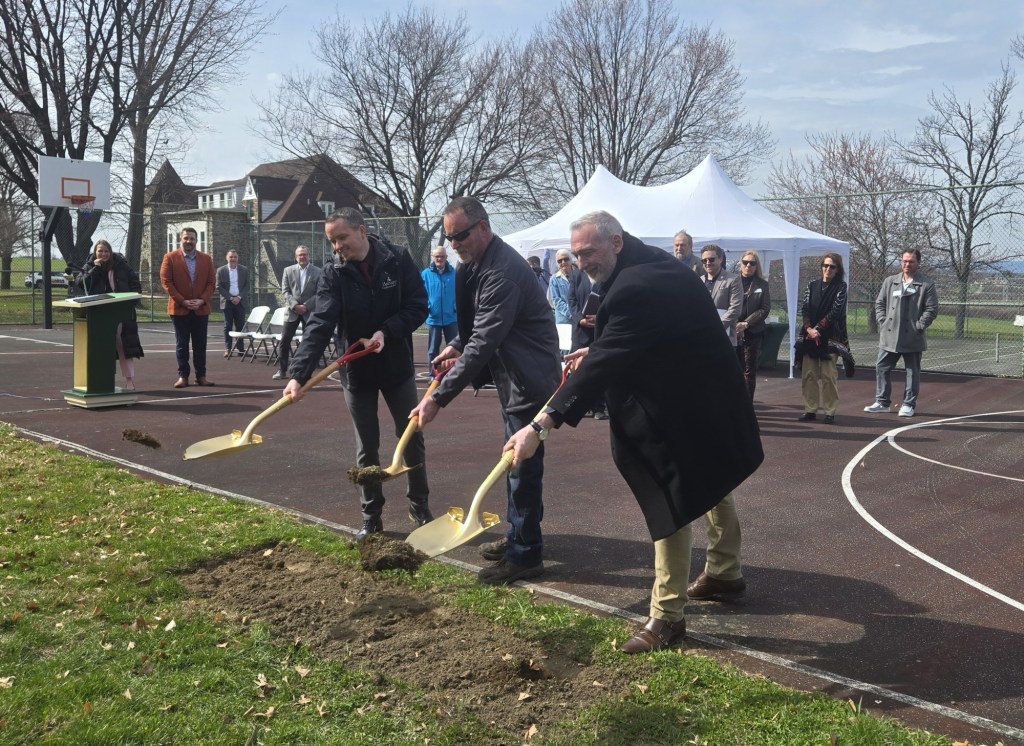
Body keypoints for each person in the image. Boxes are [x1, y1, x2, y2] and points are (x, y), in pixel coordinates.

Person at [503, 211, 763, 653]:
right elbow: (636, 337)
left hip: (682, 407)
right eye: (577, 254)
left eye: (588, 252)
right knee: (711, 480)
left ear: (616, 243)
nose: (581, 262)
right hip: (705, 398)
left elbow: (609, 360)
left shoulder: (634, 285)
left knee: (670, 497)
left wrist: (539, 426)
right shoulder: (655, 265)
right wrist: (599, 346)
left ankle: (667, 616)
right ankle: (724, 570)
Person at [410, 196, 561, 586]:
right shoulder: (478, 264)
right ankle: (519, 535)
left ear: (482, 227)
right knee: (515, 463)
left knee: (521, 468)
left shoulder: (502, 271)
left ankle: (526, 554)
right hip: (514, 376)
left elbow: (486, 340)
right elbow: (477, 327)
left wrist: (437, 398)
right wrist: (455, 344)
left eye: (459, 235)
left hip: (530, 380)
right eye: (448, 237)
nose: (454, 243)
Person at [283, 208, 431, 540]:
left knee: (411, 436)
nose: (337, 247)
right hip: (356, 368)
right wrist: (298, 374)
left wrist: (386, 332)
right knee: (367, 446)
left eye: (342, 238)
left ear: (361, 232)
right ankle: (371, 516)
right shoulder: (333, 273)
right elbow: (320, 323)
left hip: (395, 365)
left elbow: (419, 305)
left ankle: (420, 506)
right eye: (332, 241)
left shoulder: (397, 258)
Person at [864, 249, 938, 418]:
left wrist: (918, 326)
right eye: (904, 261)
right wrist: (883, 321)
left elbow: (932, 309)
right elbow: (880, 303)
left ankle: (908, 404)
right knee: (882, 367)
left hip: (912, 337)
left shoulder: (926, 284)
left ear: (918, 263)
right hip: (889, 335)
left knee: (912, 372)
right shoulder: (890, 282)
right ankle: (882, 402)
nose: (907, 264)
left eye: (911, 261)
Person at [75, 239, 143, 390]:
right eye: (100, 251)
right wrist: (96, 269)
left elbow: (136, 286)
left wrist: (129, 304)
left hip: (120, 314)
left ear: (110, 252)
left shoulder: (122, 266)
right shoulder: (90, 266)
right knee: (103, 348)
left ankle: (129, 381)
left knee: (123, 346)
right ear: (95, 253)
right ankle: (104, 381)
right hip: (99, 314)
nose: (103, 254)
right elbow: (81, 283)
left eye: (106, 251)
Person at [160, 227, 215, 388]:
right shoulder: (170, 258)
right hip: (179, 309)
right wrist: (183, 301)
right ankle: (183, 376)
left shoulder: (206, 259)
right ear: (180, 239)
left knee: (200, 344)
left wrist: (201, 300)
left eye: (192, 238)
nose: (189, 241)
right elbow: (166, 282)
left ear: (196, 240)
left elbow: (211, 283)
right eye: (186, 238)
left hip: (200, 309)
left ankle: (201, 376)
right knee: (182, 344)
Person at [797, 253, 848, 424]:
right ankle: (810, 409)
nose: (828, 269)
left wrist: (818, 329)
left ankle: (829, 411)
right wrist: (809, 329)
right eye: (825, 266)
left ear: (837, 269)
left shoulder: (841, 287)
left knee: (828, 376)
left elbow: (836, 311)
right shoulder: (812, 285)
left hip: (830, 338)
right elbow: (805, 308)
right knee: (809, 375)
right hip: (809, 336)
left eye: (832, 266)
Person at [567, 257, 607, 419]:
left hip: (599, 331)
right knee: (575, 369)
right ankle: (574, 406)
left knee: (598, 370)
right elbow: (571, 300)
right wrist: (579, 318)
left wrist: (600, 318)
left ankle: (598, 407)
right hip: (580, 331)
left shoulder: (606, 274)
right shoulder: (577, 275)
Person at [273, 245, 321, 380]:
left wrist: (306, 305)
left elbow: (319, 292)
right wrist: (295, 306)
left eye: (305, 254)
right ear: (296, 257)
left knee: (309, 342)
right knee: (284, 340)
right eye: (300, 255)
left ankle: (306, 372)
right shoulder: (288, 271)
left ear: (309, 256)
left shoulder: (317, 272)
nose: (302, 257)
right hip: (292, 312)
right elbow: (285, 291)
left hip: (309, 311)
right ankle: (282, 370)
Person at [735, 251, 771, 399]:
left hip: (752, 332)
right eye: (745, 262)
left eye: (752, 263)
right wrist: (735, 324)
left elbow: (765, 308)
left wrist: (746, 324)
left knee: (749, 371)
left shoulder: (762, 284)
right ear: (741, 264)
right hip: (733, 331)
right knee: (733, 369)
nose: (748, 266)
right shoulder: (733, 281)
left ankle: (747, 405)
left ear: (757, 266)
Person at [421, 245, 457, 371]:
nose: (439, 259)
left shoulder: (455, 273)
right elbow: (420, 294)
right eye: (437, 256)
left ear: (446, 257)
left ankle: (454, 374)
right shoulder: (425, 274)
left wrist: (455, 306)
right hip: (434, 317)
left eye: (442, 256)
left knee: (454, 348)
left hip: (451, 317)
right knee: (432, 349)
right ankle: (432, 374)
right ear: (433, 257)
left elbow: (461, 292)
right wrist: (428, 307)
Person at [700, 244, 742, 347]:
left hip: (725, 339)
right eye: (704, 260)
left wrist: (715, 327)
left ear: (720, 259)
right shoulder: (698, 281)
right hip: (702, 337)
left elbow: (735, 309)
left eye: (711, 259)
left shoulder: (733, 280)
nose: (708, 263)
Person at [217, 250, 249, 358]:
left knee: (240, 326)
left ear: (237, 258)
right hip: (227, 302)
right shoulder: (221, 270)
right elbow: (219, 287)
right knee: (228, 326)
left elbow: (247, 286)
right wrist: (231, 297)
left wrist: (239, 297)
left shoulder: (244, 270)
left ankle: (241, 349)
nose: (233, 259)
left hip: (240, 302)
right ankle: (228, 349)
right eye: (231, 257)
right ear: (227, 258)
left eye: (235, 257)